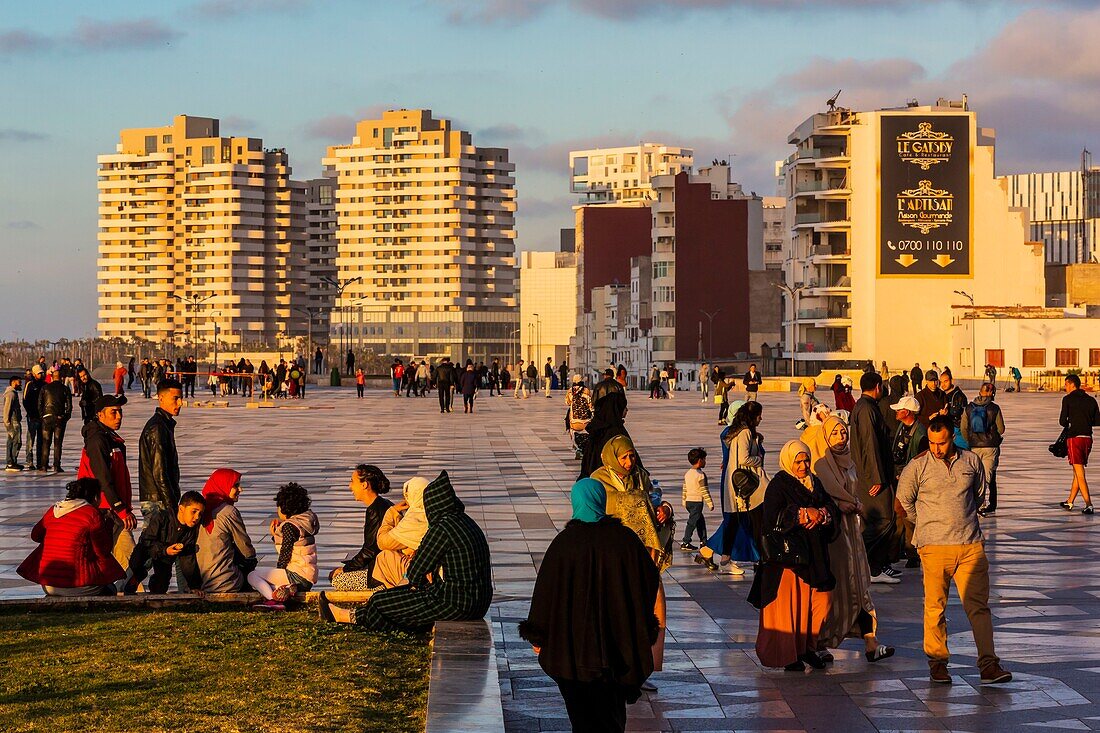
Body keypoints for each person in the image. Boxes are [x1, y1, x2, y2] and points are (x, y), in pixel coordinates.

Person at [519, 479, 660, 733]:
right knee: (612, 716)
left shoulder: (564, 544)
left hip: (573, 653)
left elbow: (546, 592)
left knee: (581, 717)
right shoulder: (625, 540)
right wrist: (639, 623)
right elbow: (649, 580)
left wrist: (537, 635)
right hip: (618, 649)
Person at [897, 416, 1012, 685]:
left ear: (953, 438)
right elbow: (904, 502)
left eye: (943, 442)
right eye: (933, 443)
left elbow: (979, 495)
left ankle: (988, 665)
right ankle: (938, 663)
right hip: (934, 548)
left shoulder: (971, 461)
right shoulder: (918, 466)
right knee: (935, 607)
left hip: (970, 545)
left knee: (979, 607)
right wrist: (927, 525)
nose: (937, 448)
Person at [319, 471, 493, 632]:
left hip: (454, 603)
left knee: (380, 601)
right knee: (386, 600)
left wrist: (418, 585)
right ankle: (348, 616)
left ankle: (347, 616)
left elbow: (416, 570)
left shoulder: (442, 528)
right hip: (478, 602)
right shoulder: (465, 522)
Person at [748, 440, 840, 671]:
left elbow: (829, 505)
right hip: (788, 561)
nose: (803, 465)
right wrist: (801, 514)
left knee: (820, 603)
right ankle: (789, 655)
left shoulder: (814, 482)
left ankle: (807, 647)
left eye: (806, 460)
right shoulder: (779, 484)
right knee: (791, 609)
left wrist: (824, 514)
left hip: (815, 558)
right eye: (798, 461)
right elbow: (771, 517)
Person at [591, 435, 672, 682]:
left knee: (650, 608)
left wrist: (664, 508)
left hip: (644, 556)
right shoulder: (599, 479)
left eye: (632, 456)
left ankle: (644, 667)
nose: (629, 462)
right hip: (616, 557)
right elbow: (613, 506)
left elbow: (652, 498)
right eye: (624, 457)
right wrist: (637, 502)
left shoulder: (640, 476)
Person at [813, 417, 895, 663]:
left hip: (851, 533)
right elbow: (825, 496)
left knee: (860, 586)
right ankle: (818, 642)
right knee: (836, 591)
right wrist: (843, 504)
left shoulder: (849, 462)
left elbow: (852, 492)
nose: (841, 438)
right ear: (826, 436)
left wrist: (855, 504)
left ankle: (871, 642)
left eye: (843, 432)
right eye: (835, 433)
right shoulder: (821, 465)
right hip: (833, 536)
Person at [17, 478, 125, 596]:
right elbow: (103, 551)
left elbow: (35, 536)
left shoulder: (54, 510)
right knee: (110, 588)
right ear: (95, 497)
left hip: (48, 584)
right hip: (79, 584)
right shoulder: (92, 514)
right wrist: (109, 523)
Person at [849, 372, 899, 583]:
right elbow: (870, 445)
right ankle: (867, 565)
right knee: (884, 519)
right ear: (878, 386)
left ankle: (875, 566)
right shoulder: (867, 409)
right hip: (872, 477)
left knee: (876, 521)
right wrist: (877, 478)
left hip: (869, 474)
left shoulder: (863, 407)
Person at [78, 394, 137, 568]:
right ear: (100, 415)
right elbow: (103, 478)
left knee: (129, 563)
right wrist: (120, 507)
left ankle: (126, 591)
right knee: (106, 562)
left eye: (120, 412)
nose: (119, 417)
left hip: (114, 510)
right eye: (113, 412)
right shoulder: (97, 440)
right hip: (105, 511)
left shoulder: (111, 438)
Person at [707, 401, 766, 575]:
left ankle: (727, 555)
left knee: (736, 520)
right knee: (755, 521)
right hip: (746, 485)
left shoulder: (736, 432)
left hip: (733, 482)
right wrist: (759, 460)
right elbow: (744, 459)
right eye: (759, 415)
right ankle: (760, 559)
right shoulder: (745, 432)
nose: (761, 419)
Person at [249, 482, 320, 611]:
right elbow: (295, 546)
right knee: (270, 580)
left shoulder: (289, 526)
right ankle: (286, 591)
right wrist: (275, 535)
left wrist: (279, 570)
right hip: (308, 577)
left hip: (295, 575)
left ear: (283, 508)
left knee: (252, 576)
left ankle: (273, 599)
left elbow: (285, 551)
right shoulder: (305, 522)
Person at [123, 490, 205, 595]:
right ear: (181, 509)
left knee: (161, 585)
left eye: (200, 514)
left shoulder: (191, 530)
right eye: (194, 512)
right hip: (147, 549)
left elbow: (188, 559)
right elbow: (146, 541)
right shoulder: (161, 517)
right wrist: (165, 550)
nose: (197, 517)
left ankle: (155, 591)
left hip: (165, 557)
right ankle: (132, 582)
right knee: (136, 564)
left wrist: (195, 586)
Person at [330, 465, 394, 591]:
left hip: (380, 573)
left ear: (365, 485)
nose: (350, 486)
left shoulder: (375, 510)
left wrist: (346, 569)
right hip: (383, 565)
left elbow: (370, 551)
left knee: (336, 579)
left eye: (352, 481)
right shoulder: (384, 504)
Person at [196, 468, 257, 593]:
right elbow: (246, 547)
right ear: (223, 485)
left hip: (201, 581)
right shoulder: (228, 512)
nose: (240, 489)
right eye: (236, 486)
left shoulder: (200, 509)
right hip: (226, 581)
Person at [138, 379, 183, 534]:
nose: (181, 403)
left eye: (181, 398)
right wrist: (172, 507)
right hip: (157, 501)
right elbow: (160, 473)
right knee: (153, 548)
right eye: (175, 398)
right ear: (161, 398)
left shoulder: (164, 425)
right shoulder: (158, 428)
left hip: (159, 498)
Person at [372, 476, 430, 588]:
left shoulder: (417, 518)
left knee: (384, 557)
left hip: (421, 574)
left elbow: (383, 542)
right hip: (433, 572)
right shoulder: (432, 512)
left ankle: (397, 595)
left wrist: (391, 513)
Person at [890, 394, 927, 568]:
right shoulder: (902, 427)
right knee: (899, 513)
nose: (896, 412)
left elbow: (920, 460)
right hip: (899, 475)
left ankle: (913, 552)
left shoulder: (920, 434)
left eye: (899, 410)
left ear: (907, 412)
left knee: (908, 514)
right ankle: (900, 549)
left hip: (910, 479)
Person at [962, 383, 1006, 517]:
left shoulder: (969, 408)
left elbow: (963, 428)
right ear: (991, 393)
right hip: (990, 446)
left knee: (975, 475)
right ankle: (983, 505)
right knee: (987, 477)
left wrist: (970, 440)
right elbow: (1001, 429)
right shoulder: (995, 408)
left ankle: (978, 504)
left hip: (974, 447)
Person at [1059, 373, 1099, 514]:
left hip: (1074, 439)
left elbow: (1062, 421)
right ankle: (1070, 501)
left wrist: (1073, 421)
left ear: (1071, 384)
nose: (1065, 387)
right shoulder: (1091, 400)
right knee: (1078, 470)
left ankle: (1089, 504)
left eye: (1066, 384)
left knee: (1080, 472)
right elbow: (1097, 421)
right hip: (1087, 438)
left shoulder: (1067, 399)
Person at [579, 389, 629, 480]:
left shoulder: (598, 428)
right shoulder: (616, 432)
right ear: (617, 409)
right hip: (609, 479)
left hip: (592, 477)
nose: (627, 410)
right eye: (624, 407)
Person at [37, 370, 72, 473]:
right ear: (61, 377)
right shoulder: (65, 389)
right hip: (59, 418)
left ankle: (44, 465)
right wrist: (65, 417)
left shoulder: (45, 388)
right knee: (58, 443)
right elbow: (69, 406)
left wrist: (42, 416)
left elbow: (39, 403)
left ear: (52, 377)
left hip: (47, 418)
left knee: (46, 442)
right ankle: (57, 465)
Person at [680, 447, 714, 551]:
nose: (705, 462)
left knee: (700, 521)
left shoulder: (687, 473)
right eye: (704, 459)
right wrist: (710, 503)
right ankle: (685, 542)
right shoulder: (700, 475)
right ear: (700, 460)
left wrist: (683, 500)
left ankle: (703, 541)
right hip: (696, 502)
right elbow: (704, 491)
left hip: (689, 502)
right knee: (692, 522)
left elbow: (684, 488)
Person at [22, 364, 46, 470]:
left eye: (42, 373)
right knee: (30, 439)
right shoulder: (30, 385)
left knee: (41, 440)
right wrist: (31, 414)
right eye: (39, 373)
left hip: (42, 417)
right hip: (32, 417)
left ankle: (40, 462)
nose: (41, 375)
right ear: (34, 374)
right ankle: (29, 461)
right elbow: (25, 401)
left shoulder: (45, 385)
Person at [565, 374, 593, 460]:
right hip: (586, 422)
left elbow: (567, 403)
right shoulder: (586, 391)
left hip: (574, 422)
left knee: (570, 427)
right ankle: (585, 449)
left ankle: (578, 449)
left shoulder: (570, 391)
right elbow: (591, 405)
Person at [4, 375, 23, 471]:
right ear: (13, 382)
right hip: (13, 422)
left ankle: (12, 462)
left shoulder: (13, 393)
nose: (21, 384)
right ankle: (11, 463)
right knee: (15, 442)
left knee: (14, 441)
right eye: (19, 382)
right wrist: (7, 424)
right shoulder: (11, 394)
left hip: (14, 421)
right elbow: (7, 409)